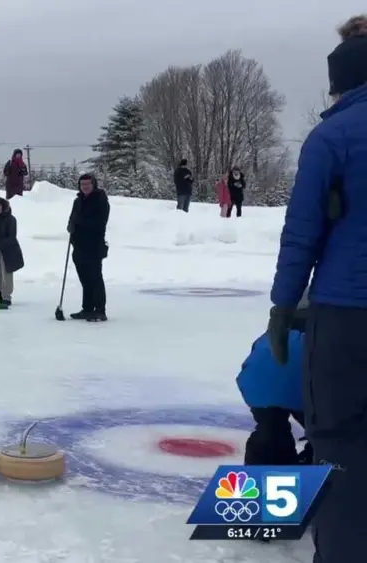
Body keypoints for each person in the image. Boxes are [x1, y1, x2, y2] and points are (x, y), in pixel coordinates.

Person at [268, 15, 367, 563]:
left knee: (340, 443)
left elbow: (301, 233)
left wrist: (284, 306)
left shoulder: (333, 134)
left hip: (347, 317)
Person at [237, 298, 312, 466]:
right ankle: (318, 464)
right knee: (332, 433)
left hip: (259, 388)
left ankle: (264, 472)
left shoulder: (272, 333)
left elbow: (251, 366)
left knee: (270, 431)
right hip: (311, 389)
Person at [67, 173, 110, 321]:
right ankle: (87, 308)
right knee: (85, 280)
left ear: (93, 185)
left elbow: (99, 223)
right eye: (82, 184)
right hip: (78, 246)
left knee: (95, 278)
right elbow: (72, 219)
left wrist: (79, 222)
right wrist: (71, 226)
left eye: (88, 184)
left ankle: (100, 310)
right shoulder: (77, 201)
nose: (85, 187)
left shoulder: (101, 200)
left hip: (94, 245)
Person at [0, 197, 24, 307]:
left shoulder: (11, 219)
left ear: (3, 206)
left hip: (9, 251)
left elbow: (12, 237)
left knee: (6, 273)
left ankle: (7, 296)